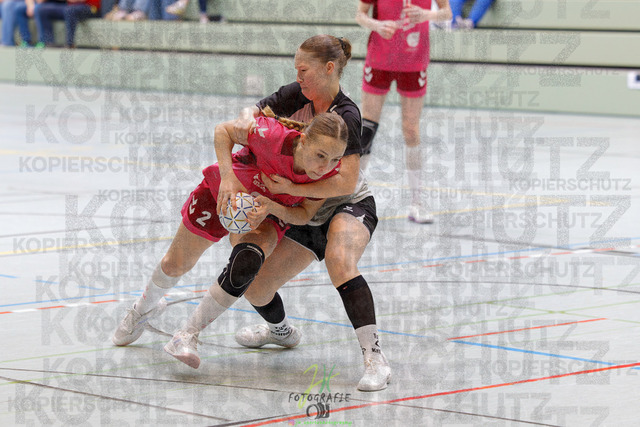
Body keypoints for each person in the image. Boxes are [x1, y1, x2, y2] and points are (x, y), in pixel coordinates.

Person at [112, 108, 349, 370]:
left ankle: (187, 335)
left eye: (335, 159)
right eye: (320, 155)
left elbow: (304, 214)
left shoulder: (329, 175)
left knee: (247, 263)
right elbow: (223, 130)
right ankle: (141, 310)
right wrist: (227, 177)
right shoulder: (271, 135)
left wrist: (271, 207)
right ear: (303, 140)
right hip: (223, 193)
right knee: (175, 264)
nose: (325, 166)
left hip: (265, 213)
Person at [231, 35, 391, 392]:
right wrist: (244, 117)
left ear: (328, 69)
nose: (298, 76)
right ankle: (280, 332)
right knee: (256, 286)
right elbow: (255, 110)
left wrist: (291, 189)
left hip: (346, 203)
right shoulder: (298, 95)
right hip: (305, 208)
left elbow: (346, 181)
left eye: (303, 70)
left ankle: (375, 358)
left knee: (339, 260)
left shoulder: (347, 114)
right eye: (296, 70)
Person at [355, 0, 452, 223]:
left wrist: (427, 15)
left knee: (411, 130)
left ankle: (417, 203)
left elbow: (447, 13)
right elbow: (360, 15)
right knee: (367, 129)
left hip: (414, 61)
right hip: (380, 59)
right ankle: (352, 197)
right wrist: (377, 25)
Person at [33, 0, 100, 47]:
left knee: (70, 11)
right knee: (41, 10)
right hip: (69, 7)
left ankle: (69, 44)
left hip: (91, 8)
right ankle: (48, 43)